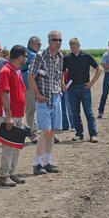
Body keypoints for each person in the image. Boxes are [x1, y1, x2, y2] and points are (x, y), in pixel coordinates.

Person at [28, 30, 65, 175]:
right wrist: (37, 95)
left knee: (52, 131)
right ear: (49, 41)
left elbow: (59, 74)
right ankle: (37, 164)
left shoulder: (60, 57)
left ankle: (48, 162)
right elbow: (31, 77)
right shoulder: (40, 56)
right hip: (43, 99)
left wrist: (61, 88)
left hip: (55, 97)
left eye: (60, 40)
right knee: (44, 131)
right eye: (55, 40)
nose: (58, 42)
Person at [0, 45, 28, 187]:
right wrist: (8, 116)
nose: (26, 59)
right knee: (8, 147)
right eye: (25, 56)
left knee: (16, 146)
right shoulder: (5, 71)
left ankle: (12, 173)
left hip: (19, 114)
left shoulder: (17, 71)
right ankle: (3, 176)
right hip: (10, 115)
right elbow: (4, 93)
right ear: (21, 57)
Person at [63, 38, 103, 143]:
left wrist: (91, 83)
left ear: (79, 45)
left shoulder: (87, 56)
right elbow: (61, 72)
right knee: (75, 112)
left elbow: (99, 69)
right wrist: (63, 84)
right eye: (71, 48)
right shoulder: (67, 58)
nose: (73, 49)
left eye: (75, 47)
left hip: (84, 88)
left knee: (88, 111)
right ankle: (79, 134)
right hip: (72, 89)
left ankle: (93, 134)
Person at [22, 36, 41, 142]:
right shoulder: (32, 55)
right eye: (38, 44)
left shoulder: (26, 53)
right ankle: (33, 135)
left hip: (30, 86)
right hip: (30, 87)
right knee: (31, 111)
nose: (40, 46)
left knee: (33, 111)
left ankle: (38, 132)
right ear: (32, 44)